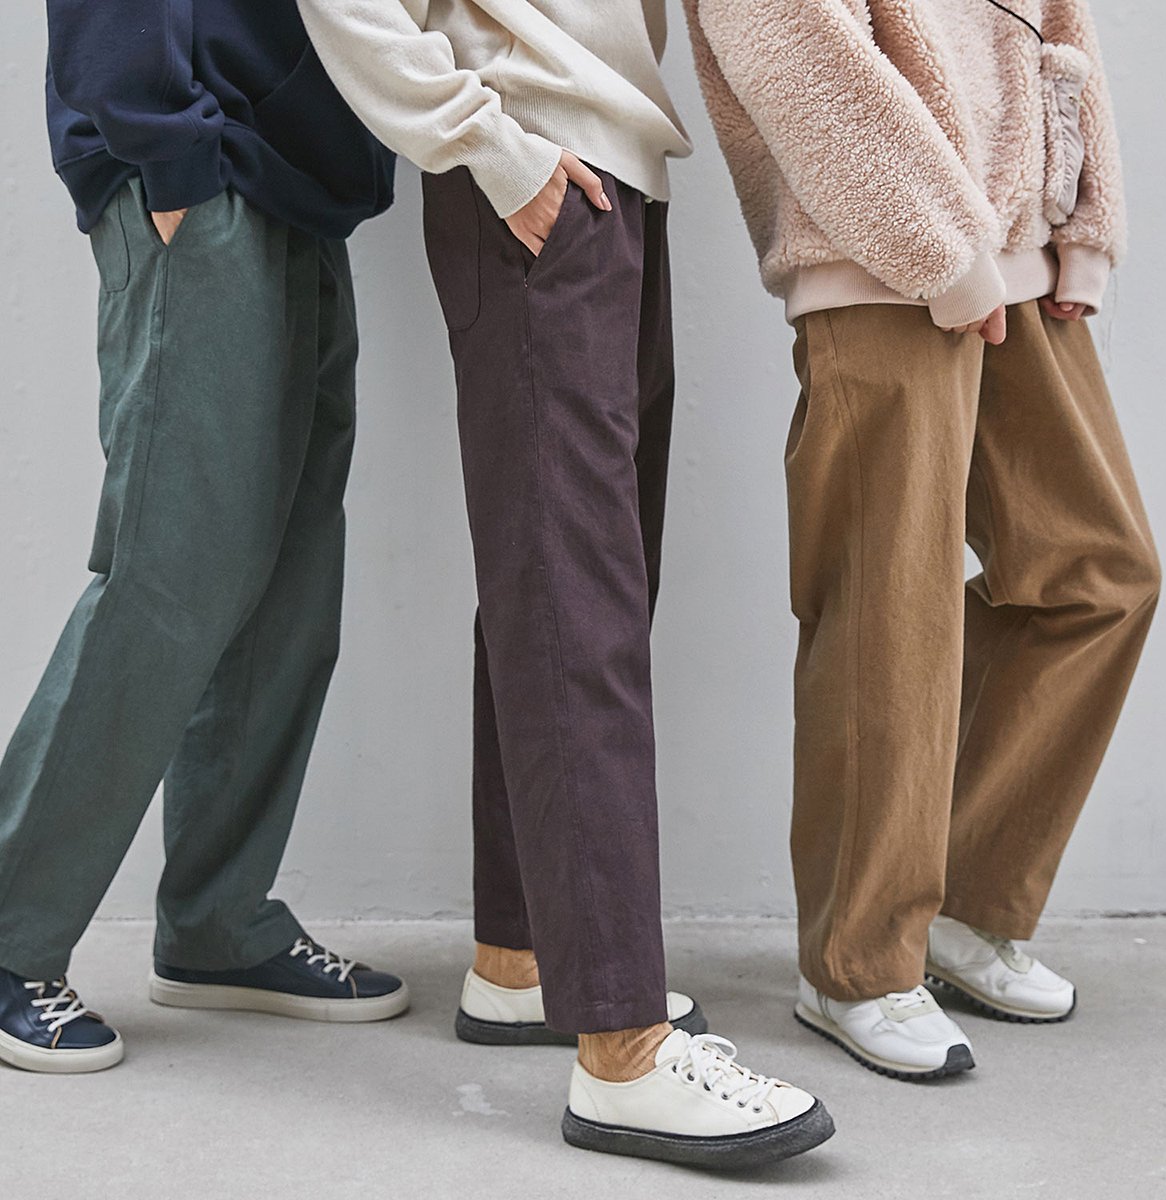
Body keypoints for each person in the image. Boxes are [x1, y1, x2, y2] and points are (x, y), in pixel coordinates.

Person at [297, 0, 834, 1167]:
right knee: (575, 605)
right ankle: (622, 1050)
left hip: (612, 171)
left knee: (566, 591)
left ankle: (525, 957)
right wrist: (490, 147)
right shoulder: (514, 158)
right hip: (532, 165)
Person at [685, 0, 1160, 1079]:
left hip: (1021, 258)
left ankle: (959, 901)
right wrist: (935, 249)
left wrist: (1081, 225)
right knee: (888, 614)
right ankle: (857, 963)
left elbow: (1057, 27)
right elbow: (797, 52)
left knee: (1099, 574)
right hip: (881, 257)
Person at [0, 0, 411, 1077]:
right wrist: (166, 146)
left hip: (297, 180)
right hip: (197, 166)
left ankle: (218, 922)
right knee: (169, 572)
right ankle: (8, 928)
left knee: (287, 580)